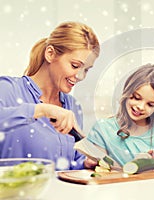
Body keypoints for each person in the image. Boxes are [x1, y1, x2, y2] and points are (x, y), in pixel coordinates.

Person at [0, 21, 100, 170]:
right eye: (75, 66)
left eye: (86, 70)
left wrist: (85, 163)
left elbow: (68, 165)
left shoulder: (73, 106)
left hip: (62, 193)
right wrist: (42, 110)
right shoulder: (8, 89)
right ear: (50, 54)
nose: (80, 76)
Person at [81, 64, 154, 167]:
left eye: (150, 104)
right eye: (136, 98)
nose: (140, 107)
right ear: (127, 92)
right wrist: (91, 163)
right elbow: (99, 168)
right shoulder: (103, 129)